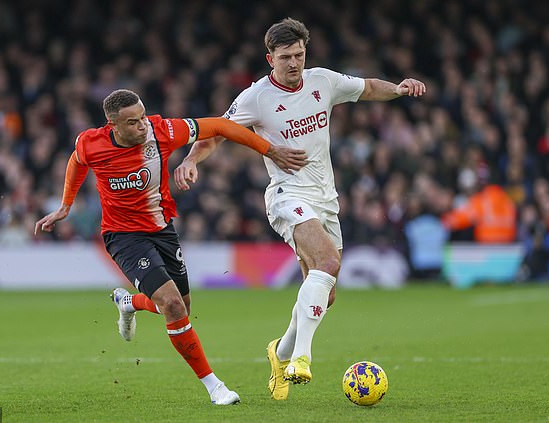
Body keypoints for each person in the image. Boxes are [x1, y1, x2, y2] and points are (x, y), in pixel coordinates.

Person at [173, 18, 426, 400]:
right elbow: (218, 132)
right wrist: (192, 160)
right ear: (269, 58)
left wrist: (399, 88)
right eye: (286, 57)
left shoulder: (322, 80)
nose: (294, 64)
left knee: (327, 292)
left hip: (326, 198)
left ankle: (282, 350)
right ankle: (302, 359)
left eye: (300, 55)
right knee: (327, 264)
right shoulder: (256, 97)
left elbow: (369, 87)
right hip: (287, 195)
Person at [34, 89, 307, 405]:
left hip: (162, 230)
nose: (142, 126)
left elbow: (220, 126)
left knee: (181, 308)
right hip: (123, 236)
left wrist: (270, 150)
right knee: (173, 306)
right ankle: (214, 386)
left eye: (143, 117)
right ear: (113, 124)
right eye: (133, 122)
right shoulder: (91, 142)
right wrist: (66, 205)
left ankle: (130, 303)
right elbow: (77, 161)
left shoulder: (161, 131)